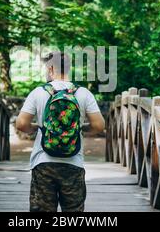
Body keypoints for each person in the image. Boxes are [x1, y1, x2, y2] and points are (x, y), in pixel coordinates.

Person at [16, 51, 105, 212]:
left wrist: (38, 128)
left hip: (43, 162)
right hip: (73, 162)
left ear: (50, 69)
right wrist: (79, 130)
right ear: (69, 68)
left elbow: (21, 124)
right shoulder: (83, 93)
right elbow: (99, 126)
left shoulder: (39, 92)